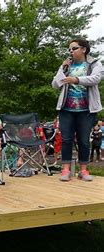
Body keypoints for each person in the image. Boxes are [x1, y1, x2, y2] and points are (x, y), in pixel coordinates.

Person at [51, 38, 102, 181]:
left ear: (83, 49)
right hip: (66, 109)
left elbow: (96, 79)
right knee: (66, 139)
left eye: (74, 48)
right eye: (69, 50)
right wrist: (62, 69)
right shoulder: (67, 65)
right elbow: (55, 84)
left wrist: (76, 80)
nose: (71, 52)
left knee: (84, 140)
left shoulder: (94, 63)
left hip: (86, 110)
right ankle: (65, 169)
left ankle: (83, 170)